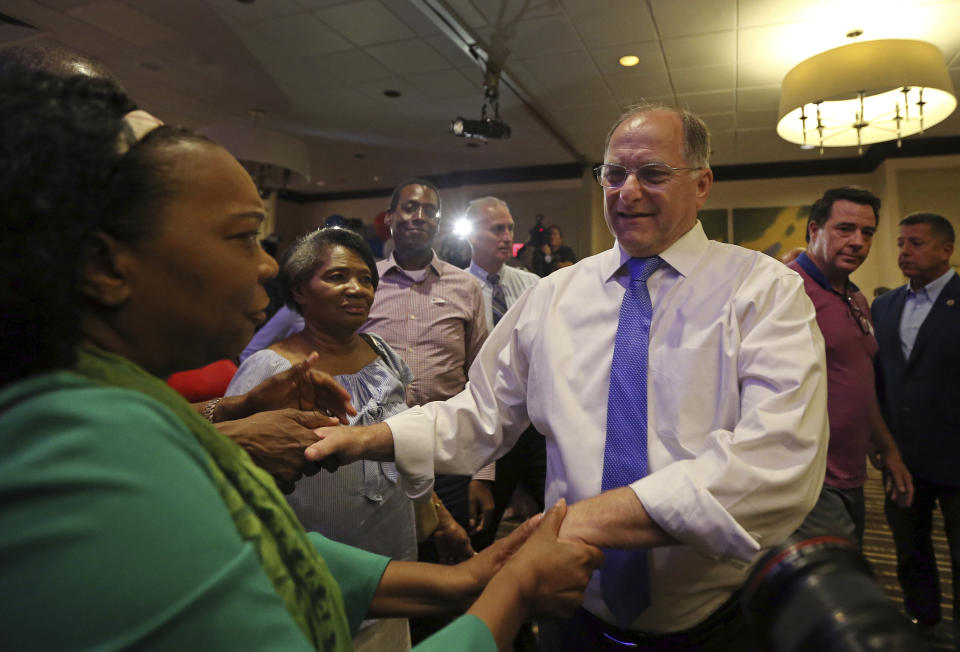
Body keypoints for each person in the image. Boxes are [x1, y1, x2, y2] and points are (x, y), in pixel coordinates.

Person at [0, 66, 603, 652]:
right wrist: (514, 591)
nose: (267, 264)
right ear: (108, 268)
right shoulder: (74, 459)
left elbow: (279, 547)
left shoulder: (111, 402)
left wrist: (463, 580)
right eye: (242, 237)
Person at [306, 104, 829, 650]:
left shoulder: (764, 291)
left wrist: (575, 525)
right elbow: (479, 413)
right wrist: (367, 439)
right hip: (569, 615)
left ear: (701, 185)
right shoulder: (553, 296)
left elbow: (775, 462)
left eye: (652, 174)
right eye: (613, 175)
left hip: (716, 621)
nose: (627, 193)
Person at [226, 227, 416, 650]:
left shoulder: (385, 354)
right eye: (337, 277)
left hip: (389, 555)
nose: (357, 288)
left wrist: (436, 513)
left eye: (366, 279)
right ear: (300, 289)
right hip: (308, 571)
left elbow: (403, 443)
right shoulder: (268, 370)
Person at [360, 179, 490, 558]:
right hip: (378, 453)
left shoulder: (465, 287)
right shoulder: (365, 283)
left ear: (438, 222)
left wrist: (483, 474)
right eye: (409, 207)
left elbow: (484, 382)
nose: (418, 216)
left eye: (429, 210)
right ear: (390, 218)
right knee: (382, 559)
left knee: (444, 565)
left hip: (445, 453)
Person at [788, 187, 912, 547]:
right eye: (845, 229)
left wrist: (888, 448)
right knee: (836, 583)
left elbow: (859, 383)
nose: (858, 241)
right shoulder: (788, 290)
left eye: (868, 232)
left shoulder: (856, 297)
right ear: (814, 231)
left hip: (853, 473)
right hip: (809, 478)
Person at [872, 212, 959, 643]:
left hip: (956, 454)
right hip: (902, 457)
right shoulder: (884, 305)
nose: (904, 251)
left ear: (947, 250)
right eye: (901, 242)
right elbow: (880, 378)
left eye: (917, 243)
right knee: (910, 548)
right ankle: (923, 621)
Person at [465, 197, 544, 550]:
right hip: (487, 420)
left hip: (534, 420)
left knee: (559, 516)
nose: (506, 236)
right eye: (496, 229)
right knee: (481, 528)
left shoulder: (532, 284)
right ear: (471, 235)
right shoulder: (459, 288)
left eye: (509, 228)